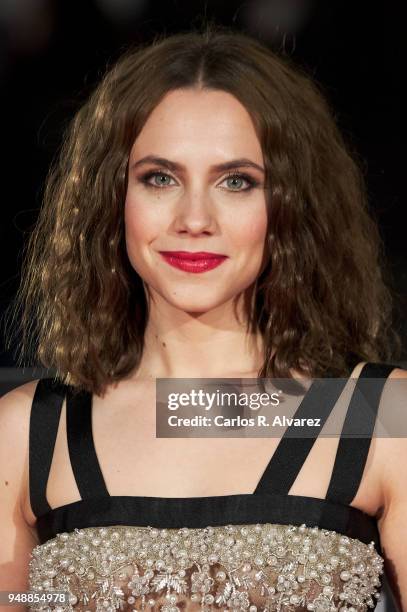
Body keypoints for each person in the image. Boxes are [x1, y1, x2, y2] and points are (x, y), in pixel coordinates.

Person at [0, 24, 406, 611]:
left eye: (236, 182)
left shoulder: (379, 416)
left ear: (291, 204)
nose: (195, 218)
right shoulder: (27, 432)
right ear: (111, 198)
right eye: (160, 178)